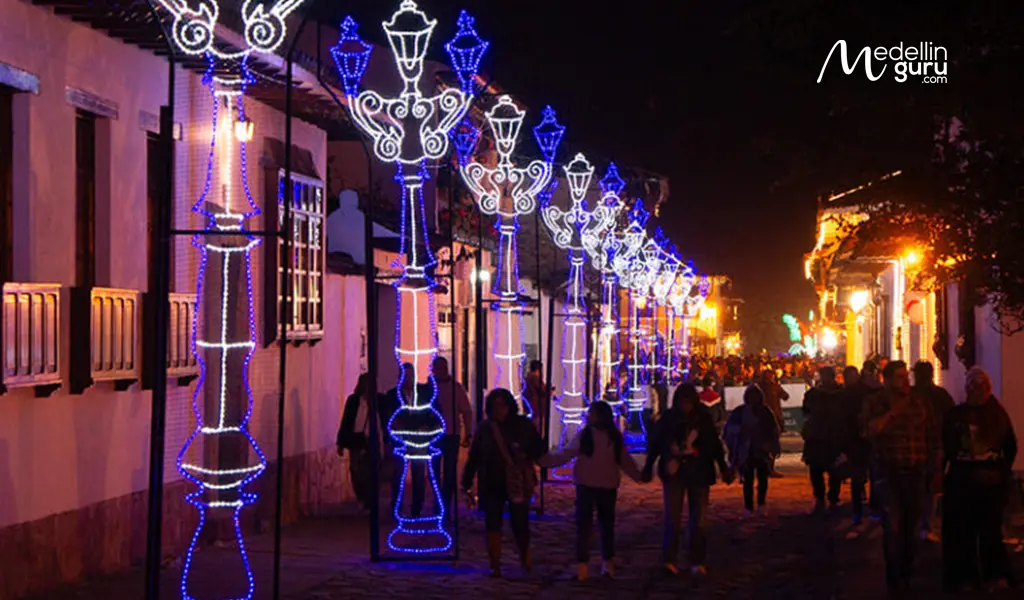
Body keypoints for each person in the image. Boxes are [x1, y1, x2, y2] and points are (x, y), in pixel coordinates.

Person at [540, 401, 642, 581]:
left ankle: (583, 567)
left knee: (584, 527)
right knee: (605, 526)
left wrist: (545, 461)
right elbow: (625, 461)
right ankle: (606, 565)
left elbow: (565, 454)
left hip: (587, 485)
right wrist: (638, 476)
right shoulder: (612, 437)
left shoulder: (586, 436)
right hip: (606, 485)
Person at [862, 360, 940, 594]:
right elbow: (869, 430)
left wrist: (936, 468)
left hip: (916, 473)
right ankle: (895, 579)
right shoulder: (875, 403)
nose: (905, 381)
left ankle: (907, 569)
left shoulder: (920, 403)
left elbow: (933, 436)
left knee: (912, 527)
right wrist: (893, 414)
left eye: (907, 376)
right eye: (899, 377)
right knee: (893, 527)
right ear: (886, 380)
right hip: (889, 473)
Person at [942, 367, 1019, 593]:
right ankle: (965, 577)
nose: (976, 391)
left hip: (989, 482)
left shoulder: (996, 414)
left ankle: (993, 574)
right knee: (962, 532)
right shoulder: (956, 415)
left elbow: (1010, 445)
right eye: (972, 387)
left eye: (980, 387)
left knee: (990, 531)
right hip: (962, 480)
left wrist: (1000, 470)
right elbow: (947, 444)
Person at [644, 384, 733, 576]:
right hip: (675, 473)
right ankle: (669, 560)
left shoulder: (703, 418)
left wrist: (724, 467)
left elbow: (714, 445)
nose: (686, 406)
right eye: (683, 402)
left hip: (699, 473)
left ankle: (697, 560)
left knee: (698, 521)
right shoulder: (669, 419)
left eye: (688, 402)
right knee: (672, 519)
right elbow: (656, 443)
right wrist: (648, 465)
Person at [462, 389, 545, 578]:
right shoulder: (485, 428)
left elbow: (539, 447)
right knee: (492, 523)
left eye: (502, 405)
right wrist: (466, 481)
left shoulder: (522, 425)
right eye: (494, 406)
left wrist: (524, 453)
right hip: (492, 481)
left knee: (519, 522)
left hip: (516, 482)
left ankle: (525, 558)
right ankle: (495, 563)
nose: (498, 410)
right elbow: (474, 456)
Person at [910, 360, 954, 543]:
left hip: (917, 447)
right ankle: (925, 524)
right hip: (931, 448)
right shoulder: (941, 395)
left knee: (919, 486)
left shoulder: (912, 395)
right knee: (929, 487)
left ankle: (918, 523)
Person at [725, 385, 780, 518]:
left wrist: (772, 445)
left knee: (762, 478)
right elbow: (729, 429)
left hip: (761, 449)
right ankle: (749, 507)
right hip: (746, 449)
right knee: (748, 479)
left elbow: (773, 430)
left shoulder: (765, 412)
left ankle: (761, 504)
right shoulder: (740, 412)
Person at [383, 363, 430, 517]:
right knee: (398, 475)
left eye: (411, 375)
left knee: (418, 474)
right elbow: (388, 418)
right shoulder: (392, 396)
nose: (408, 379)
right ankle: (396, 506)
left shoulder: (423, 393)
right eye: (405, 375)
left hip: (418, 440)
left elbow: (430, 413)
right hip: (400, 440)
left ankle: (417, 507)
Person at [431, 356, 474, 521]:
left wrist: (468, 432)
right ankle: (438, 503)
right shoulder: (430, 388)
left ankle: (446, 505)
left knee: (449, 472)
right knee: (435, 472)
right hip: (434, 435)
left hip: (451, 434)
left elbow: (467, 411)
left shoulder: (456, 388)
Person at [336, 373, 383, 512]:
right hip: (357, 439)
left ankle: (370, 500)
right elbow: (347, 420)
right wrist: (341, 442)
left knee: (372, 472)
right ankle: (362, 496)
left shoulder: (378, 400)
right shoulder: (353, 401)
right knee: (356, 470)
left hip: (373, 439)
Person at [802, 366, 845, 514]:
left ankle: (832, 497)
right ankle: (820, 497)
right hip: (818, 436)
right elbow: (806, 412)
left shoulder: (841, 393)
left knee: (834, 469)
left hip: (833, 436)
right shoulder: (814, 394)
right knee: (816, 469)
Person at [759, 369, 789, 478]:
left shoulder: (774, 386)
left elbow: (785, 396)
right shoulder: (762, 387)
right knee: (768, 445)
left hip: (775, 418)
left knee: (772, 445)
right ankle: (767, 468)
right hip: (765, 418)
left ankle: (769, 468)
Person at [524, 360, 552, 432]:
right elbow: (542, 391)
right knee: (538, 430)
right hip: (537, 408)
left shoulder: (527, 378)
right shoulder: (535, 378)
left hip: (531, 407)